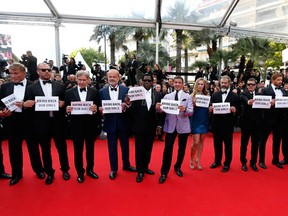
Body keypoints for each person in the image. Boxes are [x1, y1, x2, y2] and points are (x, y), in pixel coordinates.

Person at [24, 62, 70, 185]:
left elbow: (66, 102)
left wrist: (63, 103)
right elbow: (28, 106)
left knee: (62, 148)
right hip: (41, 123)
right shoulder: (31, 88)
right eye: (43, 70)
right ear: (38, 71)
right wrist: (27, 104)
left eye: (48, 69)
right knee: (45, 149)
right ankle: (49, 172)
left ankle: (65, 170)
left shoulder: (60, 86)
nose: (46, 72)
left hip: (58, 122)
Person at [0, 63, 34, 185]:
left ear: (24, 73)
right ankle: (16, 174)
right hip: (12, 121)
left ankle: (39, 170)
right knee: (14, 149)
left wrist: (27, 104)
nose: (13, 76)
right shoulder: (5, 87)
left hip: (30, 121)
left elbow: (39, 102)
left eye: (16, 73)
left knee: (33, 147)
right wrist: (2, 111)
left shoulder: (33, 85)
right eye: (11, 73)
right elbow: (1, 103)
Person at [99, 69, 136, 180]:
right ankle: (113, 169)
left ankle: (126, 165)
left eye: (114, 76)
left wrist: (127, 105)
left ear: (119, 78)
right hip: (110, 123)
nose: (112, 78)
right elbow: (99, 107)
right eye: (110, 76)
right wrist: (100, 110)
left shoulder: (126, 90)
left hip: (123, 122)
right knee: (112, 147)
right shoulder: (101, 92)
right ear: (107, 78)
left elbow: (132, 106)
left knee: (125, 146)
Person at [157, 76, 193, 183]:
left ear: (182, 84)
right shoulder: (167, 96)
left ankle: (178, 166)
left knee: (181, 149)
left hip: (183, 126)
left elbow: (191, 112)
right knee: (168, 149)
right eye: (175, 82)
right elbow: (162, 111)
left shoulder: (188, 97)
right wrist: (159, 108)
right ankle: (164, 172)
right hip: (170, 125)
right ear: (173, 84)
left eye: (179, 82)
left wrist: (185, 109)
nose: (177, 84)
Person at [65, 70, 99, 183]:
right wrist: (67, 110)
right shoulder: (69, 92)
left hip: (90, 125)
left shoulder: (94, 92)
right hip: (76, 126)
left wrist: (95, 109)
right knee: (78, 150)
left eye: (84, 80)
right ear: (76, 80)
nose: (82, 82)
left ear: (88, 80)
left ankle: (90, 170)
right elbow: (65, 108)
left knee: (90, 149)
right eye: (80, 80)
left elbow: (98, 108)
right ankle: (80, 172)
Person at [129, 73, 163, 183]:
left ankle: (146, 167)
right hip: (139, 126)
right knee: (139, 149)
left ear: (153, 82)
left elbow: (160, 112)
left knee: (149, 148)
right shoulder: (136, 94)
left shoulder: (158, 94)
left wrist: (159, 125)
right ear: (142, 82)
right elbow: (131, 111)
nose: (147, 82)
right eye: (145, 80)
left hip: (151, 126)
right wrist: (127, 103)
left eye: (149, 80)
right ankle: (140, 171)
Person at [209, 75, 239, 172]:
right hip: (217, 124)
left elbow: (239, 110)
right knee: (217, 144)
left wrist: (235, 110)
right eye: (222, 83)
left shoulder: (235, 96)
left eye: (225, 83)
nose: (224, 84)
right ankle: (217, 161)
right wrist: (210, 109)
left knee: (228, 145)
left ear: (229, 83)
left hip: (228, 124)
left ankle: (227, 163)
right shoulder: (215, 95)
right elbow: (211, 108)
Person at [259, 72, 286, 169]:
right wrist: (270, 103)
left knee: (277, 141)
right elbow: (260, 103)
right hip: (267, 119)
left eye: (281, 80)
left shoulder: (283, 90)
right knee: (263, 140)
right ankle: (261, 161)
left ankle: (275, 160)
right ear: (273, 80)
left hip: (280, 120)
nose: (280, 81)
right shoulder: (265, 90)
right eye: (278, 80)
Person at [239, 78, 262, 172]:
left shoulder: (260, 95)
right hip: (246, 123)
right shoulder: (243, 93)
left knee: (255, 144)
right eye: (249, 84)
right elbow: (243, 99)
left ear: (256, 85)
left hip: (257, 123)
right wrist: (248, 102)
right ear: (246, 85)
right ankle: (243, 162)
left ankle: (253, 163)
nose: (250, 86)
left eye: (252, 84)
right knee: (244, 143)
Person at [189, 78, 209, 170]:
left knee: (201, 142)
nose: (200, 86)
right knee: (196, 142)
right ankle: (191, 159)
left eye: (202, 84)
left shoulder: (207, 95)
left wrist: (211, 108)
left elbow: (208, 108)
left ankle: (198, 159)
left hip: (204, 119)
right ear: (196, 85)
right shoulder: (192, 96)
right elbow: (189, 110)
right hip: (195, 120)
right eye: (199, 84)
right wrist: (192, 104)